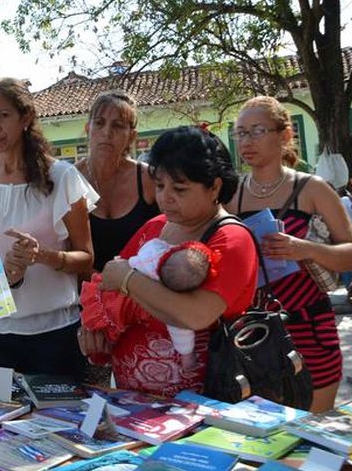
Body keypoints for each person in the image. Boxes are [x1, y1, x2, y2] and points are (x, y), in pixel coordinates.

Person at [78, 126, 258, 397]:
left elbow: (195, 314)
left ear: (215, 187)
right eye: (160, 186)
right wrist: (95, 331)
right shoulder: (156, 226)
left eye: (180, 188)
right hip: (135, 400)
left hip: (204, 404)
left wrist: (128, 279)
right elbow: (109, 289)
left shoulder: (231, 239)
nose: (165, 197)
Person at [226, 96, 352, 412]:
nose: (247, 141)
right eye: (241, 133)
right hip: (254, 334)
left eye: (257, 131)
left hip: (310, 326)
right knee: (266, 442)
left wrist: (304, 249)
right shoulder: (233, 196)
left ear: (285, 135)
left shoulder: (312, 189)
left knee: (312, 434)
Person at [0, 77, 98, 378]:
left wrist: (44, 256)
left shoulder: (63, 178)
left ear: (26, 118)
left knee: (58, 424)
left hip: (56, 335)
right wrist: (8, 276)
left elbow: (87, 259)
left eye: (3, 115)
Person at [81, 240, 218, 371]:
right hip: (111, 307)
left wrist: (126, 275)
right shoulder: (156, 230)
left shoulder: (152, 254)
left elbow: (190, 319)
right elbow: (182, 335)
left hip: (183, 389)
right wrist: (187, 357)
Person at [75, 90, 159, 272]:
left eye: (118, 126)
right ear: (87, 128)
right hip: (83, 292)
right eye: (99, 123)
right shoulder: (69, 179)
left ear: (132, 135)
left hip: (140, 290)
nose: (107, 132)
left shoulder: (148, 180)